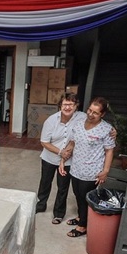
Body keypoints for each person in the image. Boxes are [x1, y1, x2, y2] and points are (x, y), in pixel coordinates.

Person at [59, 97, 116, 238]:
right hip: (76, 168)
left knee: (85, 198)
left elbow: (109, 151)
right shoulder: (78, 124)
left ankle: (83, 226)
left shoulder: (106, 129)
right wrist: (63, 159)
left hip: (92, 172)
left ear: (102, 114)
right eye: (90, 110)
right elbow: (72, 143)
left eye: (95, 113)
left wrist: (106, 171)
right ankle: (81, 217)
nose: (91, 114)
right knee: (78, 194)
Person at [35, 93, 85, 224]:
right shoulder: (51, 121)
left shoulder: (82, 117)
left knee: (63, 187)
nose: (67, 107)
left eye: (71, 104)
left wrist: (112, 130)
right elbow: (44, 142)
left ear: (76, 106)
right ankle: (41, 205)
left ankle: (58, 213)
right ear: (60, 106)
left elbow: (96, 121)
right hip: (49, 157)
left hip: (68, 160)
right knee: (45, 182)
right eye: (65, 104)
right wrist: (61, 152)